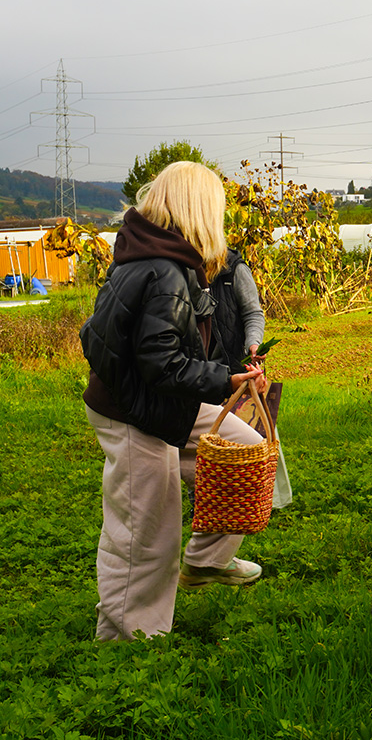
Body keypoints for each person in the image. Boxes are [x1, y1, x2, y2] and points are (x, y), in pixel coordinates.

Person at [80, 161, 268, 642]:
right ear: (199, 209)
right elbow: (161, 363)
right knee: (146, 529)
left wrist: (229, 373)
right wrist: (225, 380)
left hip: (160, 401)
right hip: (134, 411)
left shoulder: (155, 255)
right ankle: (128, 639)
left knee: (245, 449)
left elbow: (111, 339)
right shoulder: (164, 269)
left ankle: (206, 562)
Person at [193, 247, 292, 509]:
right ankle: (207, 497)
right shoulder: (184, 271)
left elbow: (252, 313)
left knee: (253, 432)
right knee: (207, 437)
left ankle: (262, 495)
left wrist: (254, 345)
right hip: (199, 370)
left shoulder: (234, 270)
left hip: (234, 365)